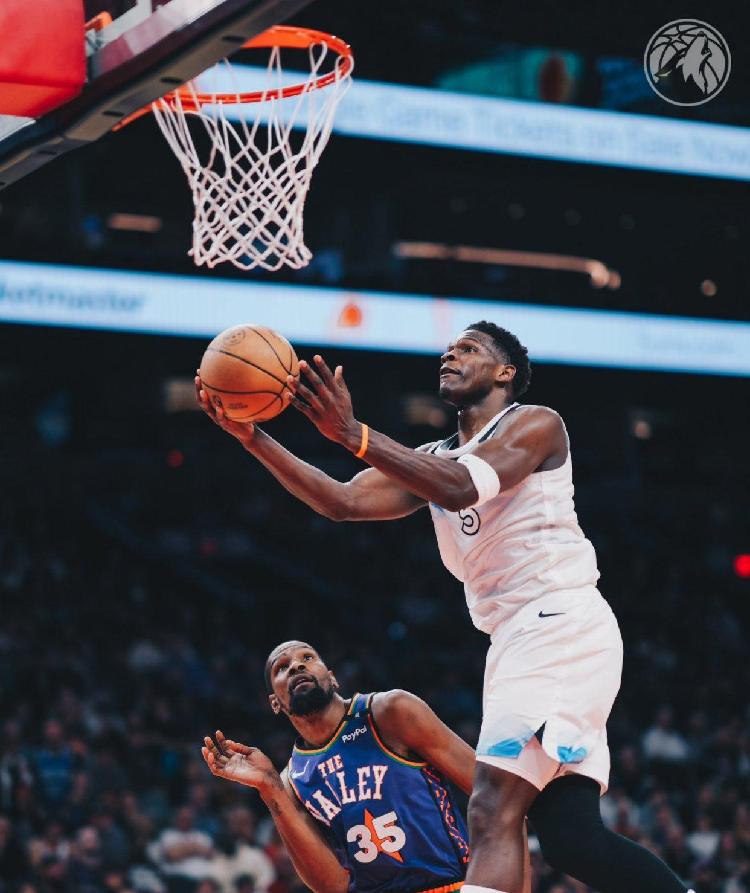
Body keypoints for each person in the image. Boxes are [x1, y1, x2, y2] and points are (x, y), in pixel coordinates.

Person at [196, 321, 694, 893]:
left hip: (557, 623)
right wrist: (253, 439)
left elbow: (460, 487)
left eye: (468, 348)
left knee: (491, 808)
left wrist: (354, 433)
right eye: (449, 348)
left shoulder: (535, 424)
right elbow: (343, 500)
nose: (450, 355)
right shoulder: (432, 458)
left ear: (505, 372)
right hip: (515, 639)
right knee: (569, 837)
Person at [202, 640, 529, 893]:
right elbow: (332, 886)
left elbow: (497, 796)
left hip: (452, 884)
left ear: (332, 677)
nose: (297, 666)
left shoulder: (389, 713)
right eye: (282, 667)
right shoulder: (292, 780)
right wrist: (269, 787)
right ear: (275, 702)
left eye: (307, 658)